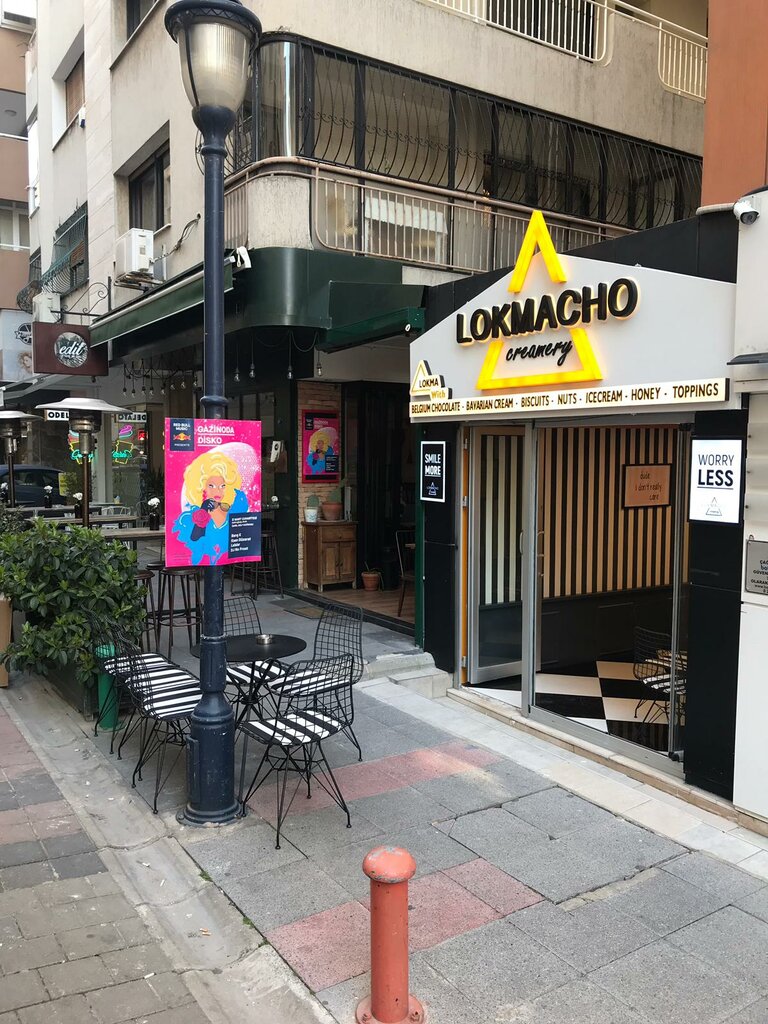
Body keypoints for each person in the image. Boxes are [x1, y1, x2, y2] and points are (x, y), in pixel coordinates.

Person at [172, 450, 248, 565]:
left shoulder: (232, 510)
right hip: (203, 565)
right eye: (211, 486)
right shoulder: (193, 515)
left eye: (222, 486)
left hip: (228, 565)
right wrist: (203, 512)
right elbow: (195, 540)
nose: (217, 490)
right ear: (201, 487)